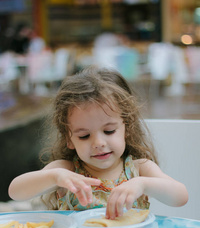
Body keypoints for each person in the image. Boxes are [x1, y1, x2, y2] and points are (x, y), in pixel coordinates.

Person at [8, 66, 188, 219]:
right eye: (84, 136)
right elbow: (15, 192)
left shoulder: (139, 169)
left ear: (127, 128)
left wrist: (143, 184)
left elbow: (180, 196)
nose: (98, 143)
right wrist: (55, 177)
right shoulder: (66, 170)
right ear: (68, 139)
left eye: (109, 131)